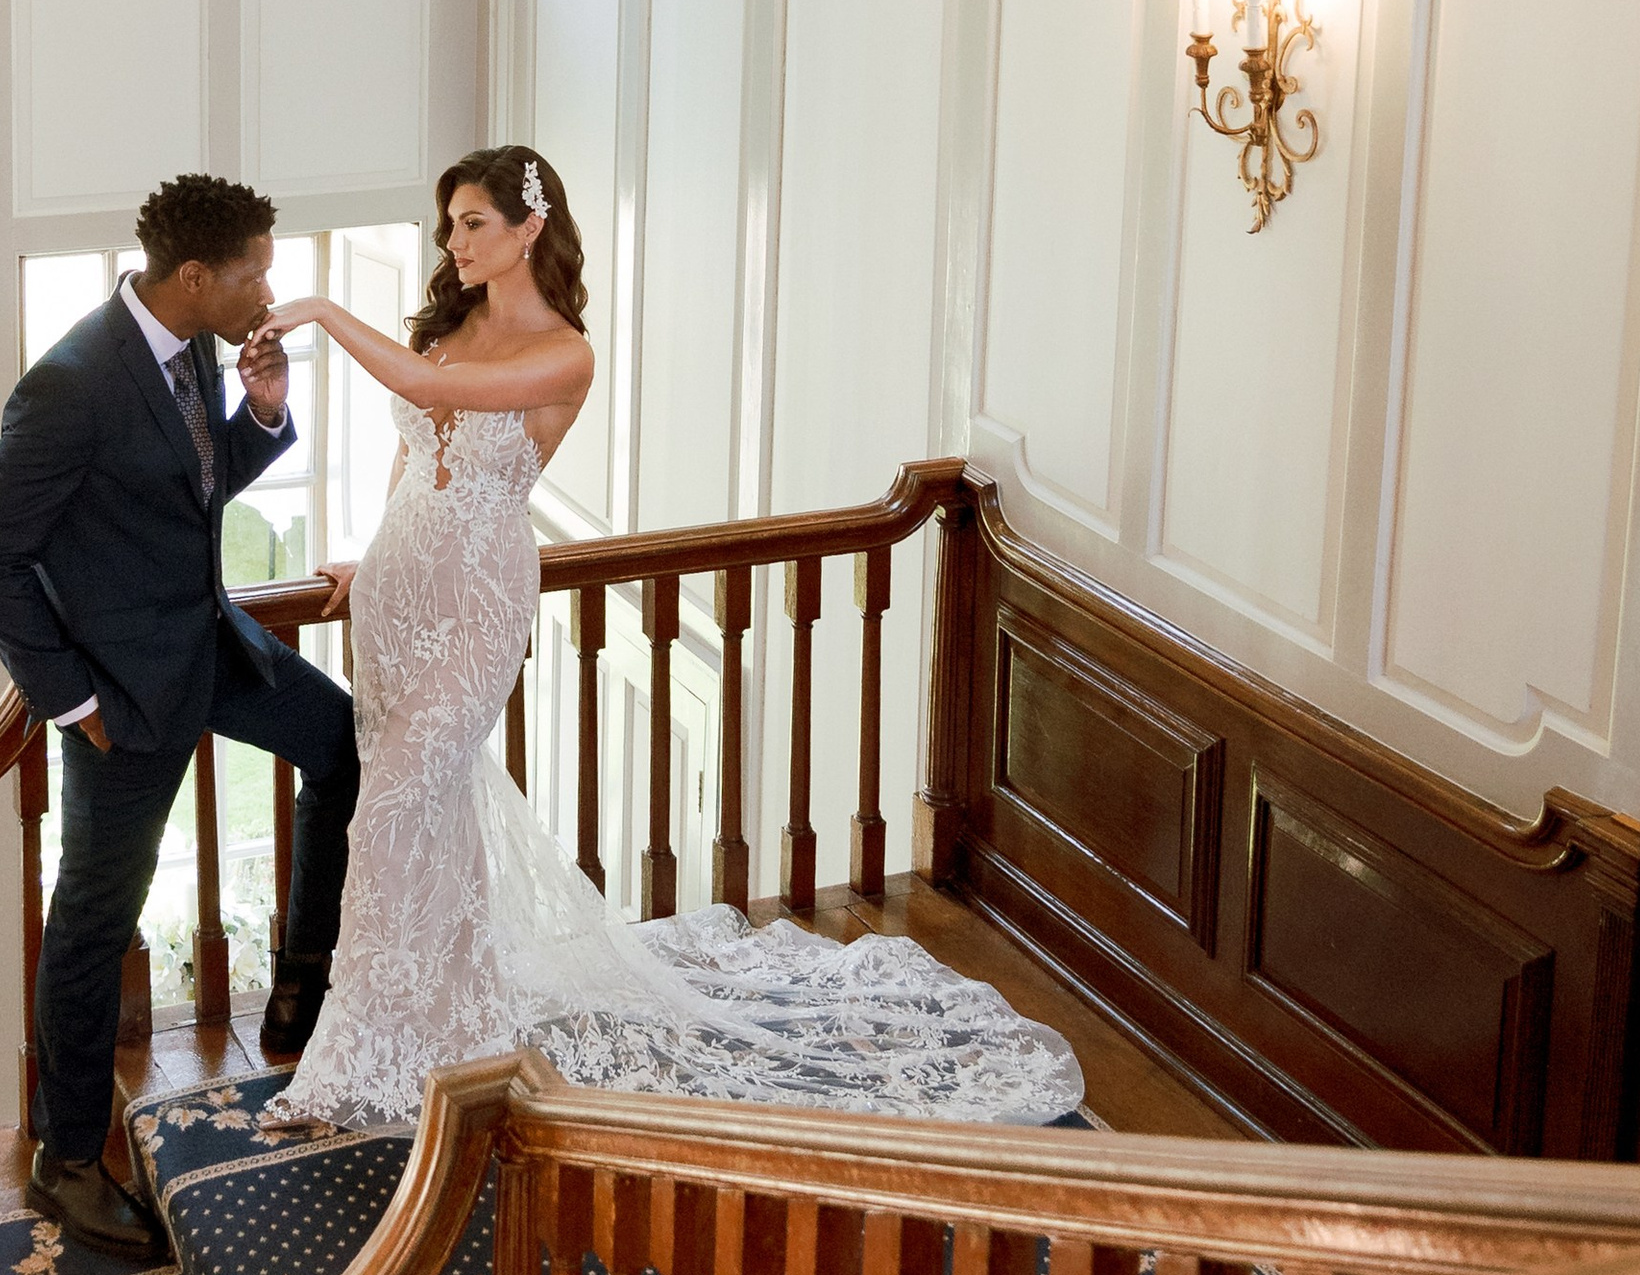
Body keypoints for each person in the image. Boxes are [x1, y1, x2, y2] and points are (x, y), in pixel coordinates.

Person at [250, 147, 1083, 1134]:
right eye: (449, 224)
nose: (453, 241)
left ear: (529, 228)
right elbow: (415, 437)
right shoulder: (454, 320)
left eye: (472, 221)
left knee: (389, 806)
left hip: (476, 601)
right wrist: (364, 552)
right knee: (424, 811)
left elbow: (438, 394)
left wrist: (317, 310)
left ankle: (353, 1051)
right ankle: (441, 1021)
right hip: (397, 593)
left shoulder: (566, 352)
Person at [0, 173, 361, 1254]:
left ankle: (299, 989)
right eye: (255, 270)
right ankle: (67, 1155)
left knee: (344, 742)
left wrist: (262, 415)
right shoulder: (70, 383)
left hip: (210, 645)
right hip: (120, 697)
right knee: (94, 920)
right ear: (196, 275)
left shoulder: (191, 348)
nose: (267, 287)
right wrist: (73, 698)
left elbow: (183, 490)